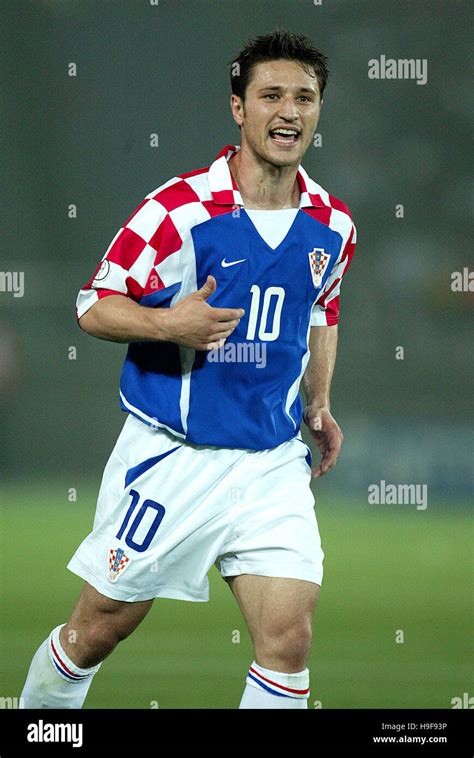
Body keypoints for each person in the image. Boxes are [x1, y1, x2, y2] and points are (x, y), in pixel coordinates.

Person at [21, 28, 357, 709]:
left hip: (268, 463)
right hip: (173, 459)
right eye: (271, 96)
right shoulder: (177, 212)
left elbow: (323, 308)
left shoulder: (334, 223)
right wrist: (168, 323)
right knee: (95, 631)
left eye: (304, 98)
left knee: (288, 640)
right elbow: (93, 304)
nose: (288, 111)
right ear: (239, 108)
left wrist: (318, 402)